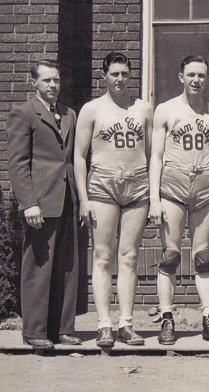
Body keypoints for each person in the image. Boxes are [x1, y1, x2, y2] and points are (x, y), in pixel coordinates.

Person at [73, 52, 153, 347]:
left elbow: (152, 155)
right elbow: (79, 158)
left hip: (136, 187)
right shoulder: (92, 110)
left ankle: (126, 324)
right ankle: (104, 323)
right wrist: (84, 199)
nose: (120, 79)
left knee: (129, 257)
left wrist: (153, 194)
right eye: (115, 74)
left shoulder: (143, 109)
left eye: (125, 74)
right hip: (103, 188)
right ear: (104, 76)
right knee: (103, 256)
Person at [148, 55, 209, 345]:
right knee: (170, 255)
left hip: (205, 186)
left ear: (208, 79)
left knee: (203, 257)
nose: (196, 80)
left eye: (201, 76)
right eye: (191, 74)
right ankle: (167, 319)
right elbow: (155, 156)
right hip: (174, 184)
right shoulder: (166, 110)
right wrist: (154, 198)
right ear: (181, 76)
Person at [7, 60, 81, 349]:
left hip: (67, 199)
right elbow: (17, 162)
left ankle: (62, 329)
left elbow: (71, 159)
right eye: (47, 80)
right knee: (38, 267)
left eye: (57, 80)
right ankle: (35, 331)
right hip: (40, 202)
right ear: (34, 83)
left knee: (66, 267)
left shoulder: (69, 114)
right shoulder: (24, 113)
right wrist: (28, 203)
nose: (53, 86)